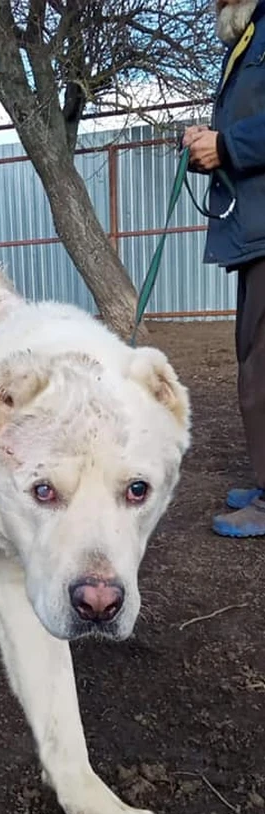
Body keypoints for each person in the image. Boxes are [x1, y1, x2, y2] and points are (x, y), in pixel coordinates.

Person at [183, 0, 265, 536]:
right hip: (254, 227)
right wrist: (207, 142)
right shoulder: (249, 34)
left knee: (263, 368)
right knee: (251, 354)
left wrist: (227, 145)